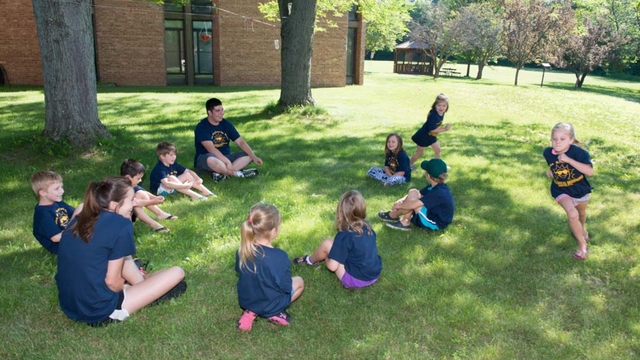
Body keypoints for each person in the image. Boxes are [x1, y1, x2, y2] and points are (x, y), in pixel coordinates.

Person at [56, 177, 187, 326]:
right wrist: (124, 286)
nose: (135, 203)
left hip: (70, 304)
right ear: (114, 205)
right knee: (178, 272)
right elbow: (112, 283)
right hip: (99, 311)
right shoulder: (121, 224)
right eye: (131, 200)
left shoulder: (82, 217)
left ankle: (143, 284)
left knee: (125, 257)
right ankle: (147, 290)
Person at [293, 190, 382, 290]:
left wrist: (328, 257)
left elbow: (332, 267)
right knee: (334, 244)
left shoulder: (344, 235)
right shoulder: (368, 227)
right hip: (374, 274)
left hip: (356, 280)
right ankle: (313, 259)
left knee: (327, 244)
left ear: (341, 212)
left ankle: (310, 260)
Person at [236, 204, 304, 331]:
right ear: (274, 231)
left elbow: (240, 272)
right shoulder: (279, 256)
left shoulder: (242, 251)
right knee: (299, 281)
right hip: (270, 304)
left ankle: (250, 313)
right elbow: (286, 286)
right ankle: (275, 313)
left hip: (247, 301)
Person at [543, 122, 594, 260]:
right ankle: (581, 244)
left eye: (562, 139)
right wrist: (552, 172)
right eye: (554, 139)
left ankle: (582, 230)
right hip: (560, 189)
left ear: (571, 140)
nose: (557, 142)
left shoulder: (579, 153)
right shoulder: (547, 153)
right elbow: (556, 167)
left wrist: (568, 160)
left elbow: (589, 172)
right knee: (572, 214)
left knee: (581, 214)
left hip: (579, 189)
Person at [194, 98, 262, 181]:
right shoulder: (202, 127)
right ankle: (237, 174)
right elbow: (211, 149)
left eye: (222, 110)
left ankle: (220, 174)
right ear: (209, 112)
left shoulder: (226, 124)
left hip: (226, 157)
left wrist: (254, 157)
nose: (221, 113)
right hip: (207, 158)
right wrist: (227, 162)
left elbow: (240, 141)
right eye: (217, 111)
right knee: (211, 160)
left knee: (249, 155)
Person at [379, 158, 454, 231]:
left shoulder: (438, 193)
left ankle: (398, 218)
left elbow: (413, 205)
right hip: (431, 212)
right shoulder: (435, 186)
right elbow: (418, 193)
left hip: (435, 222)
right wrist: (401, 200)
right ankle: (402, 219)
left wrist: (399, 205)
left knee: (413, 203)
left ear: (428, 175)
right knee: (413, 191)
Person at [31, 171, 83, 254]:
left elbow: (76, 215)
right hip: (63, 246)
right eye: (57, 189)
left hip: (70, 233)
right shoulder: (42, 215)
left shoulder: (57, 203)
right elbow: (56, 237)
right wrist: (80, 229)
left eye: (61, 187)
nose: (62, 191)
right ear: (43, 192)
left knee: (82, 206)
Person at [120, 159, 177, 233]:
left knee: (141, 193)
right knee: (135, 205)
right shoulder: (121, 188)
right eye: (138, 178)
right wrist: (152, 201)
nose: (140, 180)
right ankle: (154, 224)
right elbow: (134, 203)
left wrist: (154, 197)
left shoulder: (131, 184)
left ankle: (160, 214)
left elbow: (143, 192)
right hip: (123, 216)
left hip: (130, 212)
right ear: (128, 177)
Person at [149, 142, 216, 200]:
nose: (174, 157)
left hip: (173, 186)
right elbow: (167, 184)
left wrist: (197, 178)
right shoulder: (159, 168)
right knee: (172, 177)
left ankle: (206, 192)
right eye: (171, 155)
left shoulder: (173, 164)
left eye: (175, 154)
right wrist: (183, 186)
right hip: (161, 190)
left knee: (187, 174)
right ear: (162, 156)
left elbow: (188, 171)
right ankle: (195, 196)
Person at [410, 93, 452, 167]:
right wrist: (444, 129)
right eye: (439, 105)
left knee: (438, 150)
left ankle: (438, 166)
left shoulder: (441, 112)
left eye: (444, 106)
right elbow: (432, 130)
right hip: (423, 136)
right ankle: (409, 165)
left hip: (431, 136)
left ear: (447, 106)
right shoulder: (434, 115)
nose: (441, 108)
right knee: (420, 153)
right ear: (435, 105)